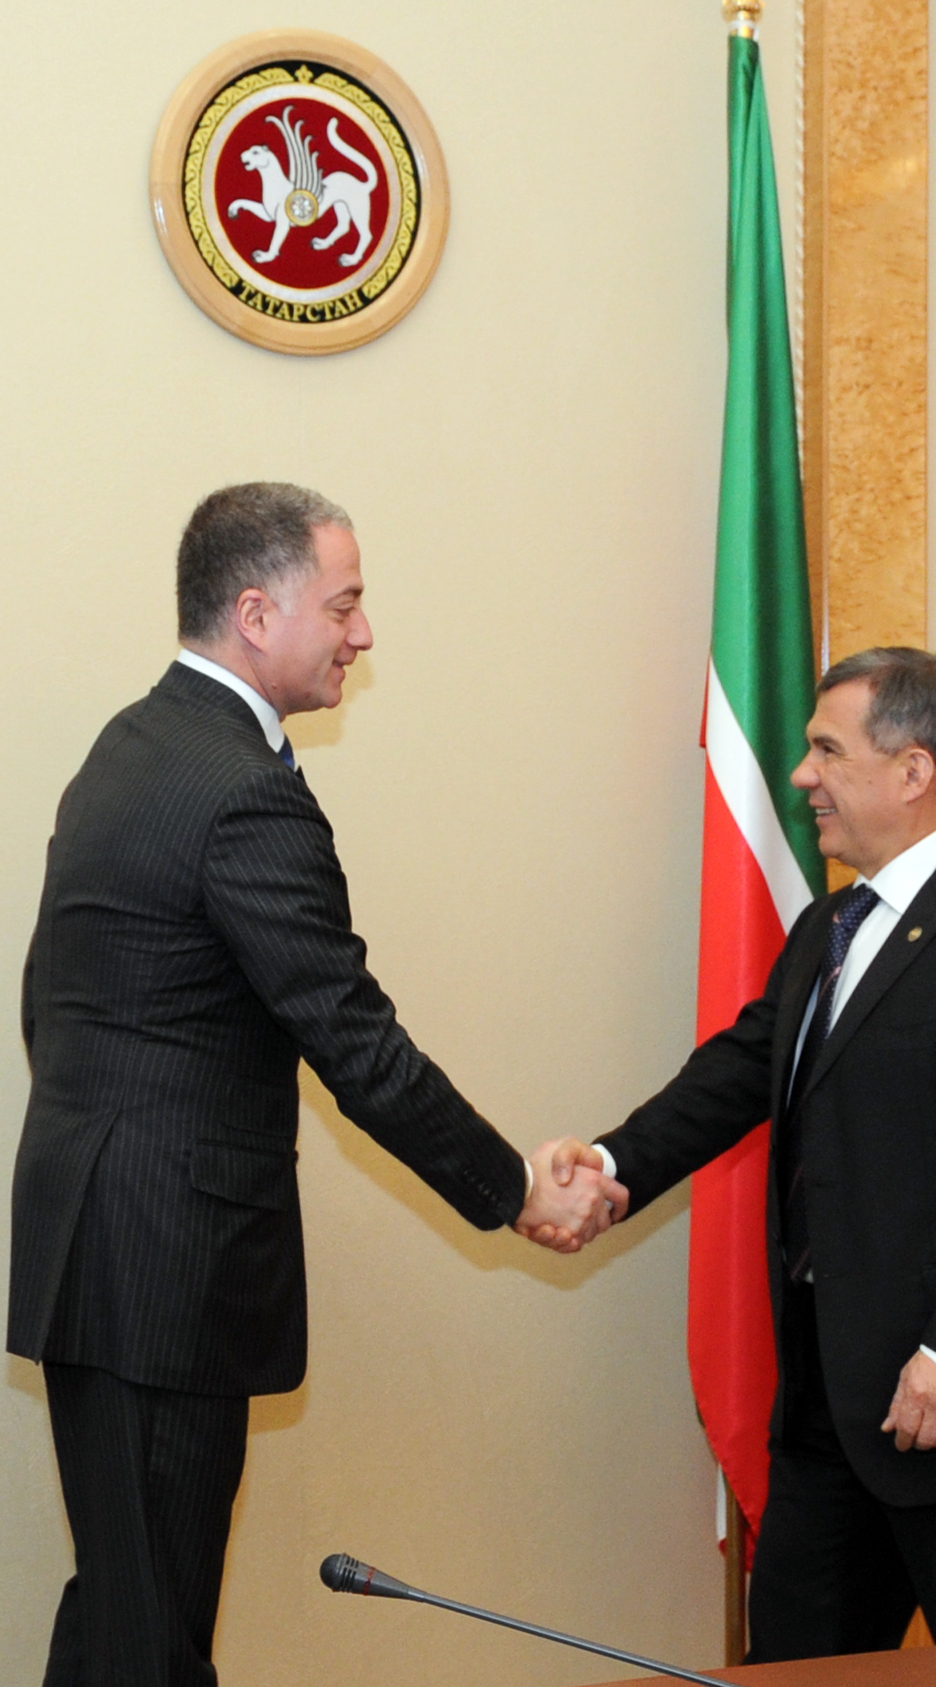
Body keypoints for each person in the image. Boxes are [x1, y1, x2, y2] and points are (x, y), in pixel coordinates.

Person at [7, 482, 624, 1687]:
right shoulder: (241, 789)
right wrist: (512, 1186)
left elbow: (52, 1001)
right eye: (343, 606)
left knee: (123, 1613)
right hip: (165, 1269)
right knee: (149, 1639)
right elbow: (353, 1040)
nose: (364, 633)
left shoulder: (132, 745)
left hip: (102, 1244)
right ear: (256, 613)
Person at [534, 647, 936, 1658]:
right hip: (826, 1403)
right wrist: (610, 1167)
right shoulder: (831, 924)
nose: (802, 773)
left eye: (826, 750)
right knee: (795, 1662)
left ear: (913, 770)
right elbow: (741, 1069)